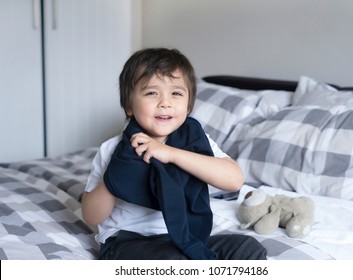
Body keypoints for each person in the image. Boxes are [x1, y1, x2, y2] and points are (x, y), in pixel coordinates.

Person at [81, 48, 267, 260]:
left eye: (176, 93)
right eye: (152, 93)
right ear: (129, 105)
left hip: (188, 238)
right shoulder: (113, 149)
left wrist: (170, 154)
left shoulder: (197, 142)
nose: (165, 103)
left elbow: (234, 181)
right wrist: (116, 176)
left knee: (247, 248)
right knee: (173, 262)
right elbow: (91, 215)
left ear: (188, 106)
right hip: (128, 241)